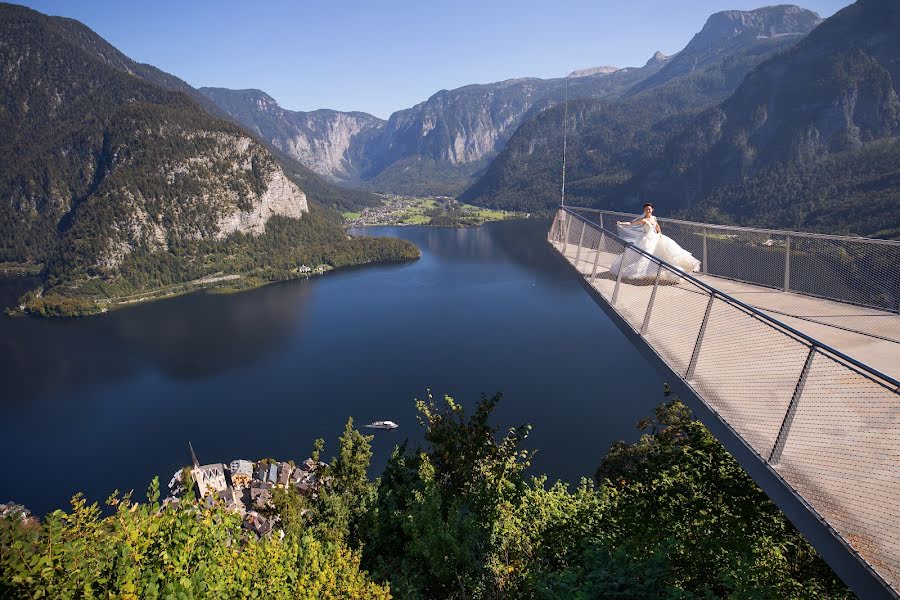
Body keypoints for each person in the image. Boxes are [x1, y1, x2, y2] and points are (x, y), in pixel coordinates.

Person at [610, 203, 700, 280]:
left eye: (649, 209)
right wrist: (621, 223)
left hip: (655, 238)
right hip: (646, 240)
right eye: (646, 209)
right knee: (647, 256)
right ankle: (646, 273)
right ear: (644, 210)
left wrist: (660, 234)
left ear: (652, 209)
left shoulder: (654, 218)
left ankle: (668, 272)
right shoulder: (643, 220)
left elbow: (657, 226)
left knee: (665, 254)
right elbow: (631, 224)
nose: (648, 210)